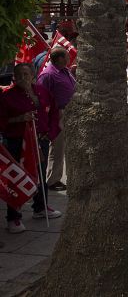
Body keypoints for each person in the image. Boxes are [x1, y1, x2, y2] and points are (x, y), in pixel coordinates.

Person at [1, 63, 62, 233]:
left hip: (39, 141)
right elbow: (2, 122)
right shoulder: (7, 96)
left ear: (33, 75)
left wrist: (50, 133)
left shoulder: (42, 92)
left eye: (26, 74)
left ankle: (40, 208)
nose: (22, 78)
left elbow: (54, 113)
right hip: (16, 142)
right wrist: (18, 119)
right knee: (17, 179)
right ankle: (13, 218)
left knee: (40, 175)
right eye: (19, 74)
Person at [38, 47, 76, 190]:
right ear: (60, 59)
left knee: (69, 147)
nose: (69, 58)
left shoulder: (65, 70)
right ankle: (52, 180)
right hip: (58, 115)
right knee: (57, 149)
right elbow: (42, 99)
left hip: (71, 113)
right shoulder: (47, 75)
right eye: (67, 56)